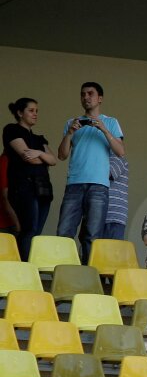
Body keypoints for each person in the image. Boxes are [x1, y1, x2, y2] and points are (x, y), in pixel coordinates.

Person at [56, 82, 125, 263]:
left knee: (92, 235)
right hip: (74, 184)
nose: (86, 97)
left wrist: (103, 128)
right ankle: (62, 271)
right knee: (64, 232)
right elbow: (62, 155)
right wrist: (70, 133)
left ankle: (88, 277)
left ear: (100, 98)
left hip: (99, 185)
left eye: (90, 94)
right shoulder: (71, 123)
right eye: (83, 94)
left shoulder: (110, 122)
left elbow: (120, 151)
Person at [4, 97, 56, 259]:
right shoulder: (12, 129)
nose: (35, 114)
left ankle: (28, 270)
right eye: (31, 110)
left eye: (37, 111)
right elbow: (29, 158)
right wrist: (43, 157)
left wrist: (40, 153)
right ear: (20, 113)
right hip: (24, 187)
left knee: (36, 233)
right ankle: (23, 270)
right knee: (29, 230)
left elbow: (53, 160)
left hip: (43, 189)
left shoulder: (40, 139)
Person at [102, 155, 129, 239]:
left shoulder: (117, 158)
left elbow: (108, 173)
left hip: (113, 215)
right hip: (101, 215)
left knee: (112, 249)